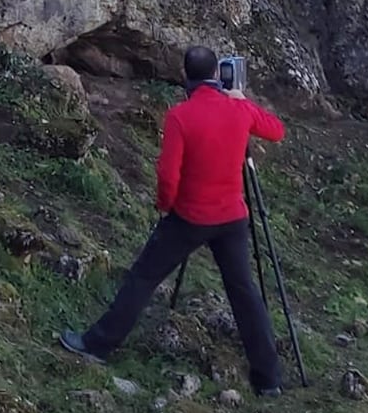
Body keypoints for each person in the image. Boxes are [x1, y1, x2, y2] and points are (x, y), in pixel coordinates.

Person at [59, 45, 286, 395]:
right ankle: (268, 379)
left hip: (190, 216)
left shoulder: (181, 115)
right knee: (244, 292)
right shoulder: (239, 110)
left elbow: (168, 174)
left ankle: (98, 344)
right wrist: (242, 100)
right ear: (216, 75)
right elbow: (276, 131)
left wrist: (166, 206)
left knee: (143, 278)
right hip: (232, 218)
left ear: (186, 77)